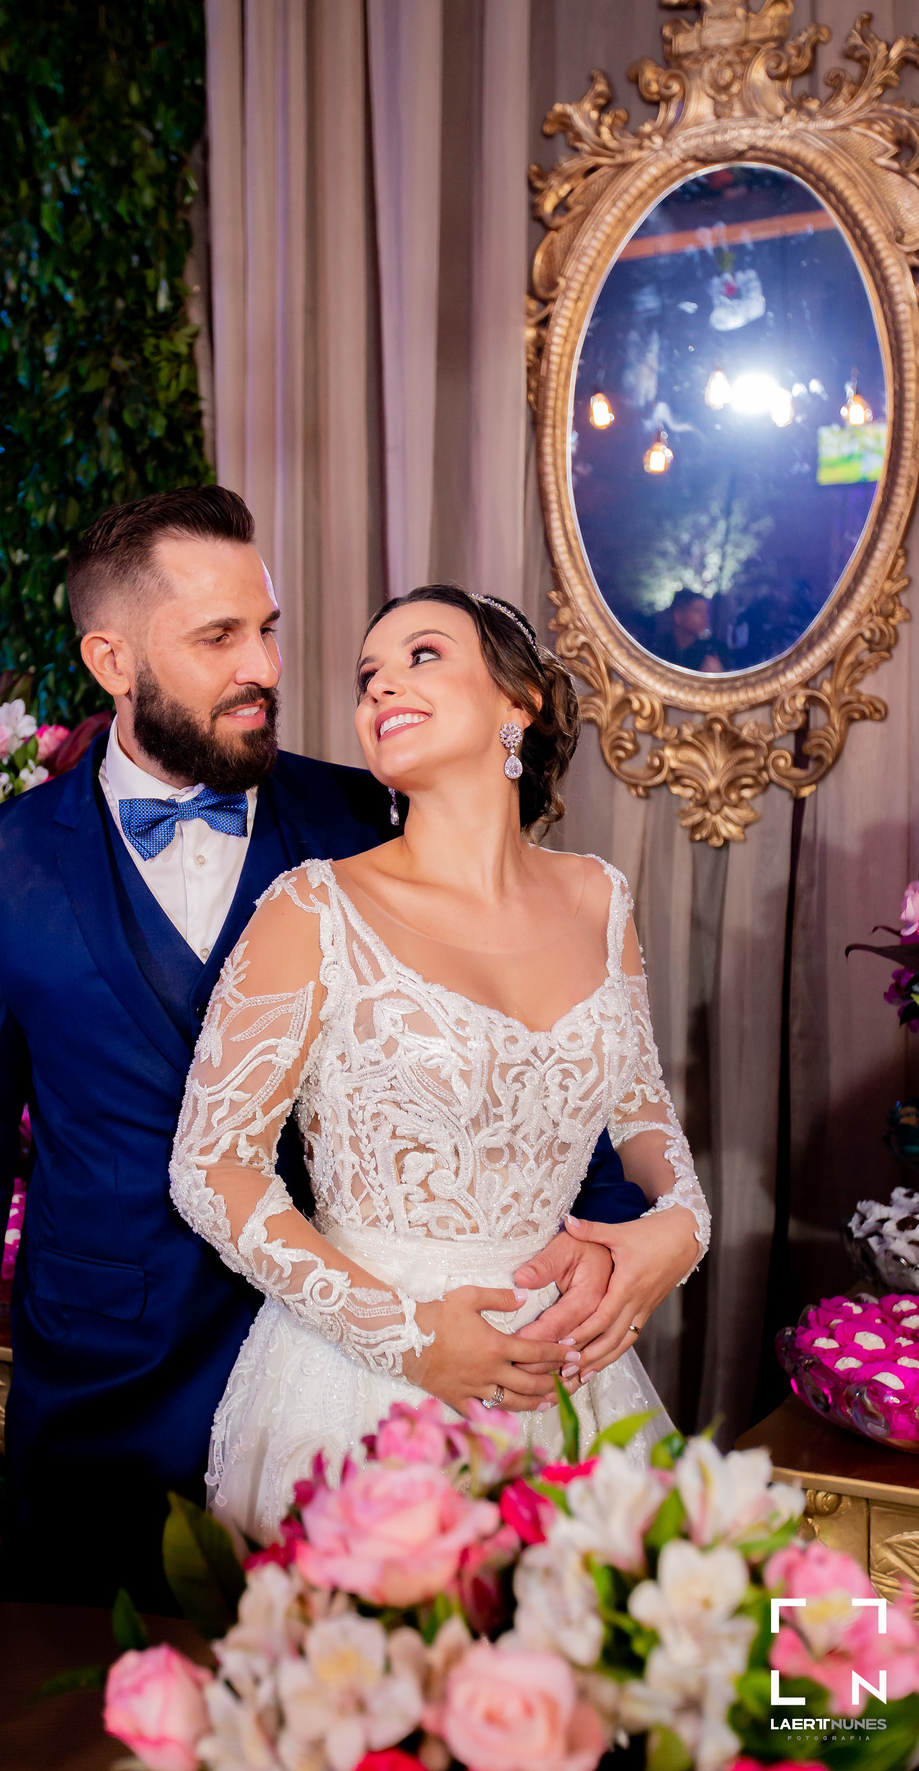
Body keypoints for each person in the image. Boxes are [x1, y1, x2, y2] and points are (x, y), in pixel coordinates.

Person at [0, 489, 637, 1607]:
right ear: (111, 660)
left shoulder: (367, 818)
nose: (266, 668)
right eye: (219, 637)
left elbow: (523, 1043)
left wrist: (608, 1232)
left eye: (269, 628)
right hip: (109, 1396)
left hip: (356, 1384)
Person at [169, 585, 710, 1544]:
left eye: (422, 656)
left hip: (565, 1370)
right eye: (367, 676)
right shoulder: (313, 908)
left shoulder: (600, 898)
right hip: (363, 1381)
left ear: (519, 702)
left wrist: (682, 1225)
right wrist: (408, 1338)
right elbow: (212, 1167)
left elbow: (639, 1109)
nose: (380, 688)